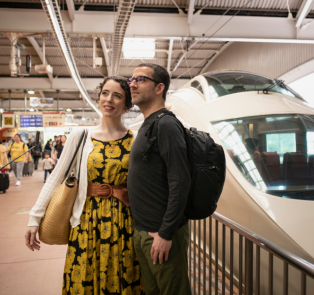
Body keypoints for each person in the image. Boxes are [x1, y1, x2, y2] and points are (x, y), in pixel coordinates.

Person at [25, 76, 145, 295]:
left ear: (127, 103)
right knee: (85, 277)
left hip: (125, 223)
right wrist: (35, 218)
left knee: (123, 276)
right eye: (105, 93)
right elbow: (55, 178)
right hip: (87, 221)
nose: (109, 99)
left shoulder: (135, 138)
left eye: (117, 95)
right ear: (99, 97)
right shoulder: (81, 136)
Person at [128, 63, 191, 295]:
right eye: (131, 80)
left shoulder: (166, 124)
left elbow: (180, 181)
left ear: (159, 88)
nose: (132, 84)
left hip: (162, 234)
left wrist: (165, 233)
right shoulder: (148, 124)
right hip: (145, 232)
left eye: (140, 79)